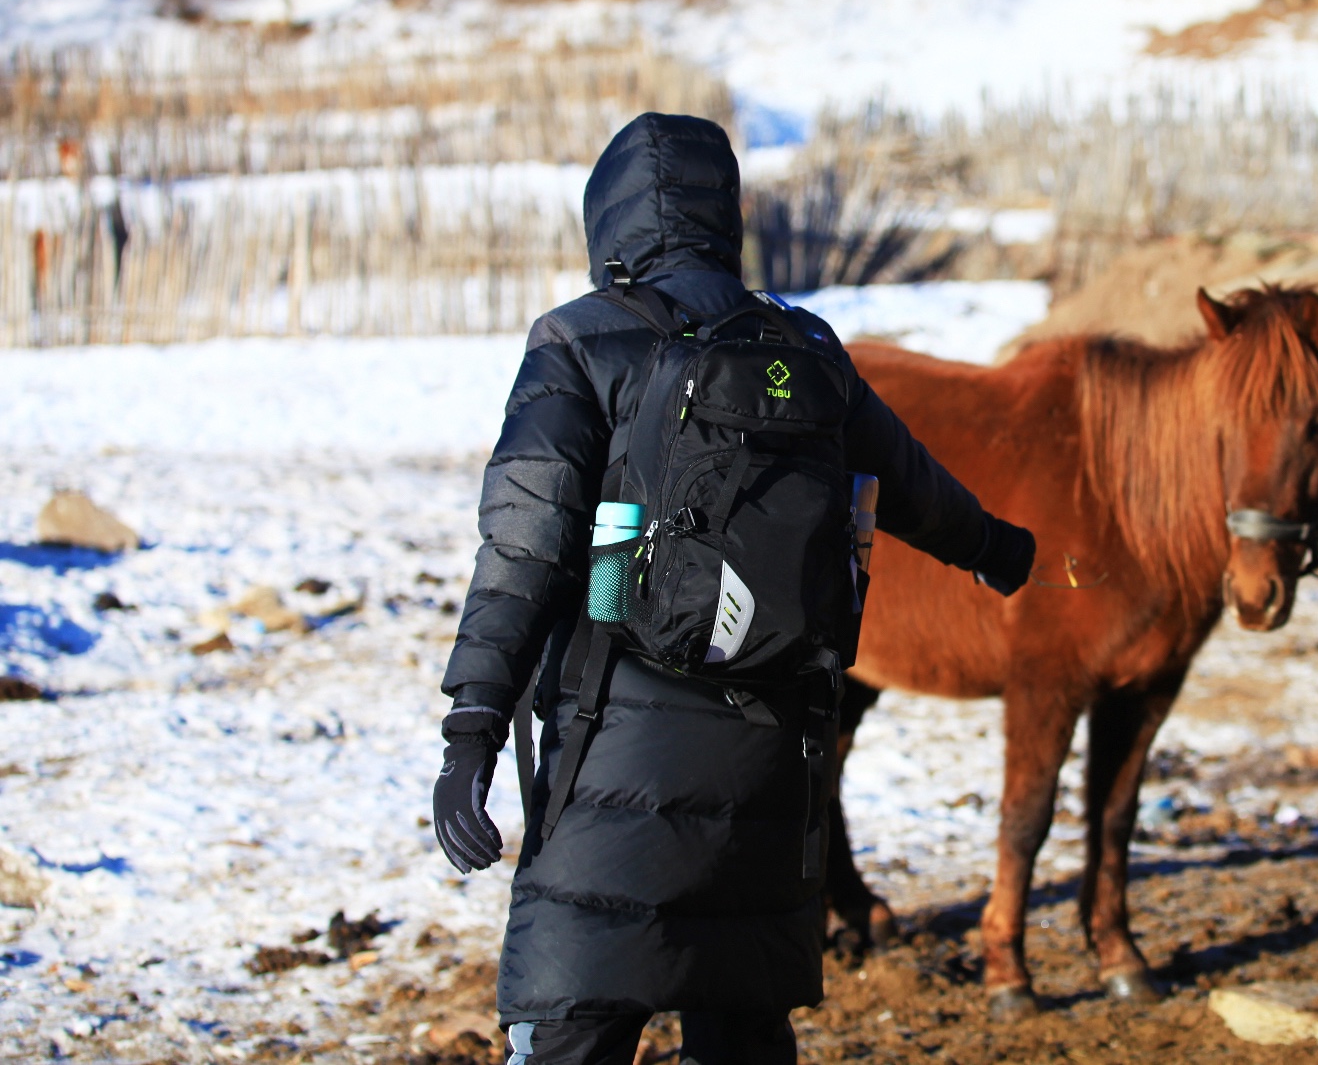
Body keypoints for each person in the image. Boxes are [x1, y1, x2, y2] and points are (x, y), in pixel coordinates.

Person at [431, 113, 1037, 1065]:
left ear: (612, 218)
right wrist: (999, 548)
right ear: (727, 216)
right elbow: (913, 483)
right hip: (772, 764)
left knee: (576, 1026)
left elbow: (523, 542)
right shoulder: (807, 350)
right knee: (744, 1033)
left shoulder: (582, 341)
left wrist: (473, 722)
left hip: (612, 762)